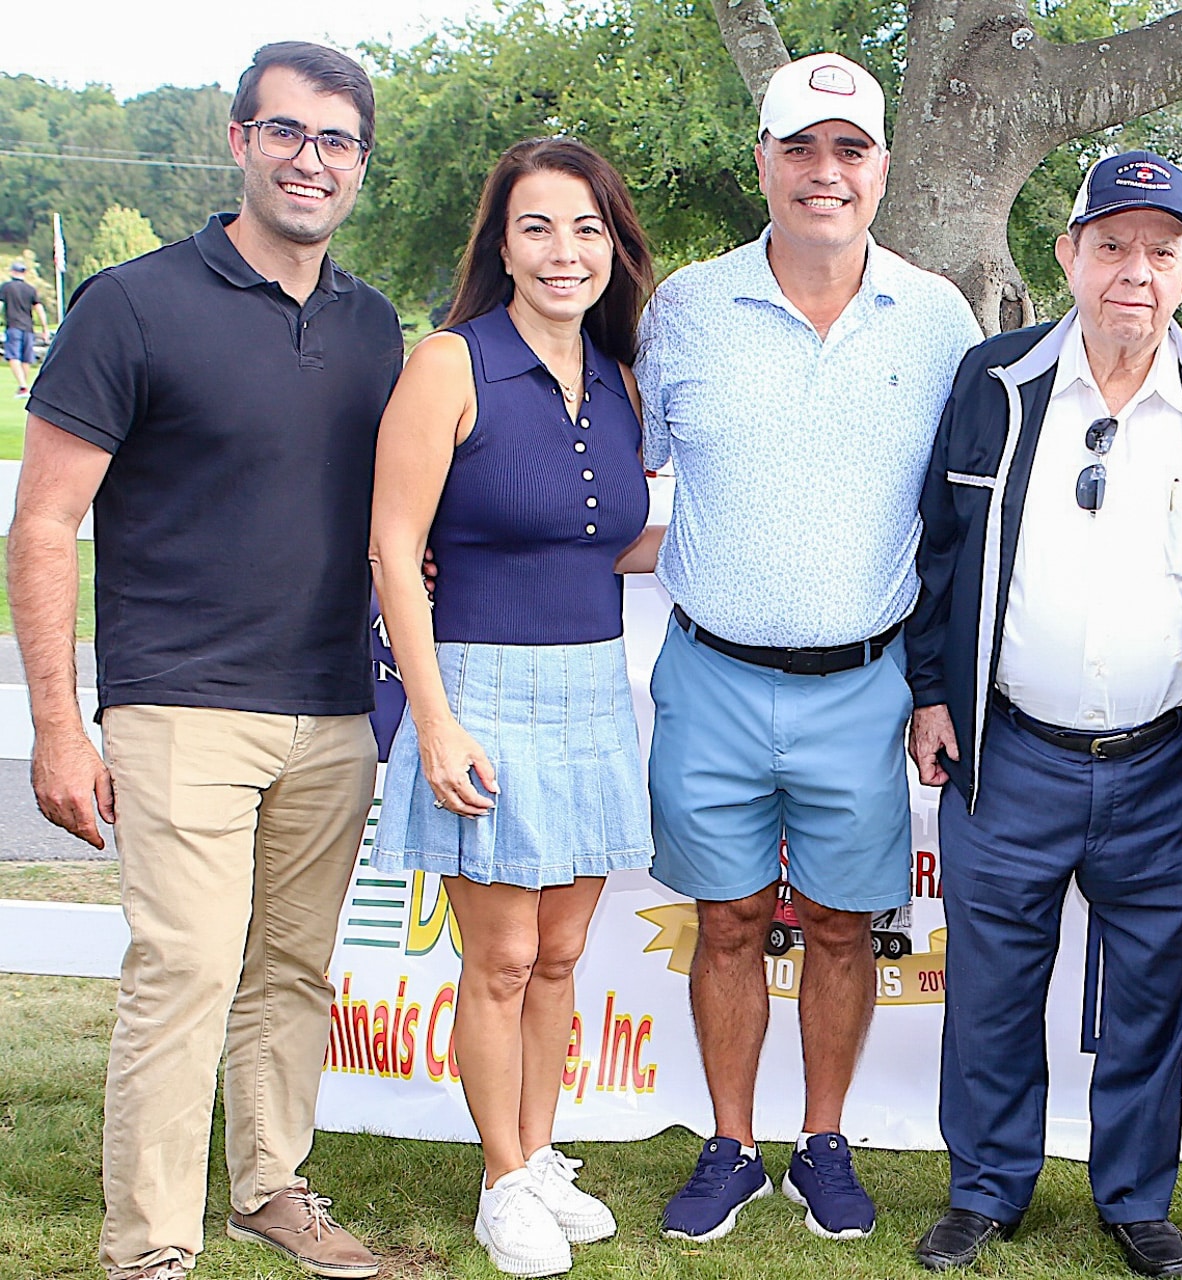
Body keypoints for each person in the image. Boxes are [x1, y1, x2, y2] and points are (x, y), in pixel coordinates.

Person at [7, 42, 399, 1280]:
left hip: (333, 707)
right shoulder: (131, 302)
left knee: (291, 966)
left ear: (360, 167)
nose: (310, 160)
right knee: (182, 968)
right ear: (239, 141)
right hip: (180, 702)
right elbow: (44, 522)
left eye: (336, 141)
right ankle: (150, 1245)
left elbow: (384, 510)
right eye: (287, 132)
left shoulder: (375, 324)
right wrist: (59, 727)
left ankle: (272, 1186)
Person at [905, 150, 1182, 1279]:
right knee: (991, 992)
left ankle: (1133, 1196)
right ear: (1067, 255)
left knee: (1153, 999)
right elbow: (937, 552)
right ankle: (985, 1190)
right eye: (1111, 245)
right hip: (1007, 748)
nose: (1135, 271)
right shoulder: (995, 380)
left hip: (1169, 764)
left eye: (1161, 252)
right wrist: (931, 688)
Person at [634, 51, 981, 1243]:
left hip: (867, 682)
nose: (823, 172)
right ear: (764, 162)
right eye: (800, 147)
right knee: (726, 920)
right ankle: (729, 1144)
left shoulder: (940, 316)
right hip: (711, 670)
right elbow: (610, 482)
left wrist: (939, 685)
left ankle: (822, 1139)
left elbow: (959, 515)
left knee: (840, 924)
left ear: (882, 170)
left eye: (849, 150)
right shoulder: (681, 305)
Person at [367, 136, 656, 1278]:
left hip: (591, 686)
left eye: (587, 227)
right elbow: (394, 543)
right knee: (498, 958)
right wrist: (433, 719)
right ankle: (499, 1181)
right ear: (501, 241)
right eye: (537, 226)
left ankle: (537, 1153)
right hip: (478, 687)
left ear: (613, 247)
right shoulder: (450, 361)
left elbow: (608, 534)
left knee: (563, 950)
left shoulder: (621, 375)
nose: (563, 250)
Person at [2, 260, 49, 396]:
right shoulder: (30, 289)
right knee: (26, 357)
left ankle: (22, 386)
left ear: (12, 272)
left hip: (13, 326)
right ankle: (23, 386)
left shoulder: (6, 287)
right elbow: (39, 308)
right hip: (28, 327)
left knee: (13, 356)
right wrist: (45, 328)